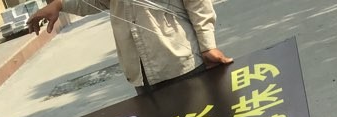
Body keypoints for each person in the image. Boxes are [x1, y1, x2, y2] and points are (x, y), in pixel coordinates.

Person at [27, 0, 232, 93]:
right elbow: (97, 2)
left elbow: (197, 3)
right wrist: (60, 5)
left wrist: (207, 46)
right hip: (142, 75)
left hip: (180, 64)